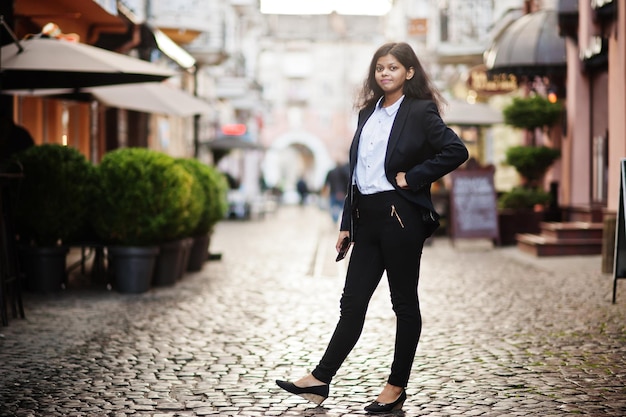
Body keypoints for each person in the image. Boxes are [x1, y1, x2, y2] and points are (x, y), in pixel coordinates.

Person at [275, 42, 469, 413]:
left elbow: (455, 150)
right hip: (367, 218)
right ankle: (320, 379)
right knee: (352, 303)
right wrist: (346, 223)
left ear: (409, 72)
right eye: (380, 67)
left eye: (393, 67)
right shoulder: (368, 112)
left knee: (403, 303)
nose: (385, 73)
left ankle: (396, 385)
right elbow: (357, 175)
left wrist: (413, 177)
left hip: (400, 217)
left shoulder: (420, 111)